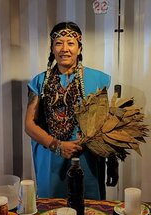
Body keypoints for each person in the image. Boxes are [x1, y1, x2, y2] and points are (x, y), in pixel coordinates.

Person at [25, 21, 117, 200]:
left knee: (89, 207)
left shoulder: (98, 80)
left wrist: (112, 161)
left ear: (80, 48)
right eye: (59, 43)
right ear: (52, 49)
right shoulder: (39, 82)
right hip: (50, 156)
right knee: (52, 211)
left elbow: (106, 124)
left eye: (71, 43)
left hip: (87, 158)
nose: (64, 49)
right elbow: (29, 125)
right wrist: (57, 145)